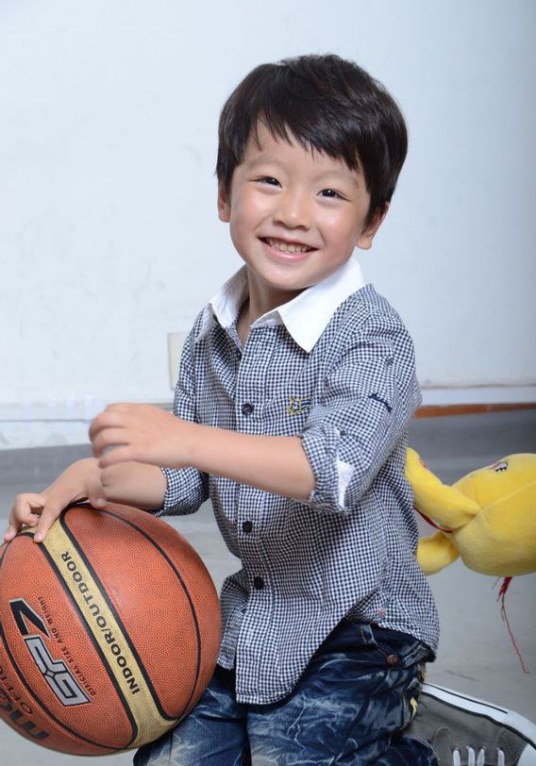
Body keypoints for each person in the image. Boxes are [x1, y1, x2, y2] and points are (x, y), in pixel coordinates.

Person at [8, 53, 528, 766]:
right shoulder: (212, 332)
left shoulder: (373, 338)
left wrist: (185, 438)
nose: (292, 213)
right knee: (175, 761)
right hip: (256, 617)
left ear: (371, 220)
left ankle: (425, 744)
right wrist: (89, 483)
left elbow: (332, 470)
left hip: (365, 628)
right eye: (269, 181)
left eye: (329, 193)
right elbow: (186, 480)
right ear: (225, 194)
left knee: (302, 757)